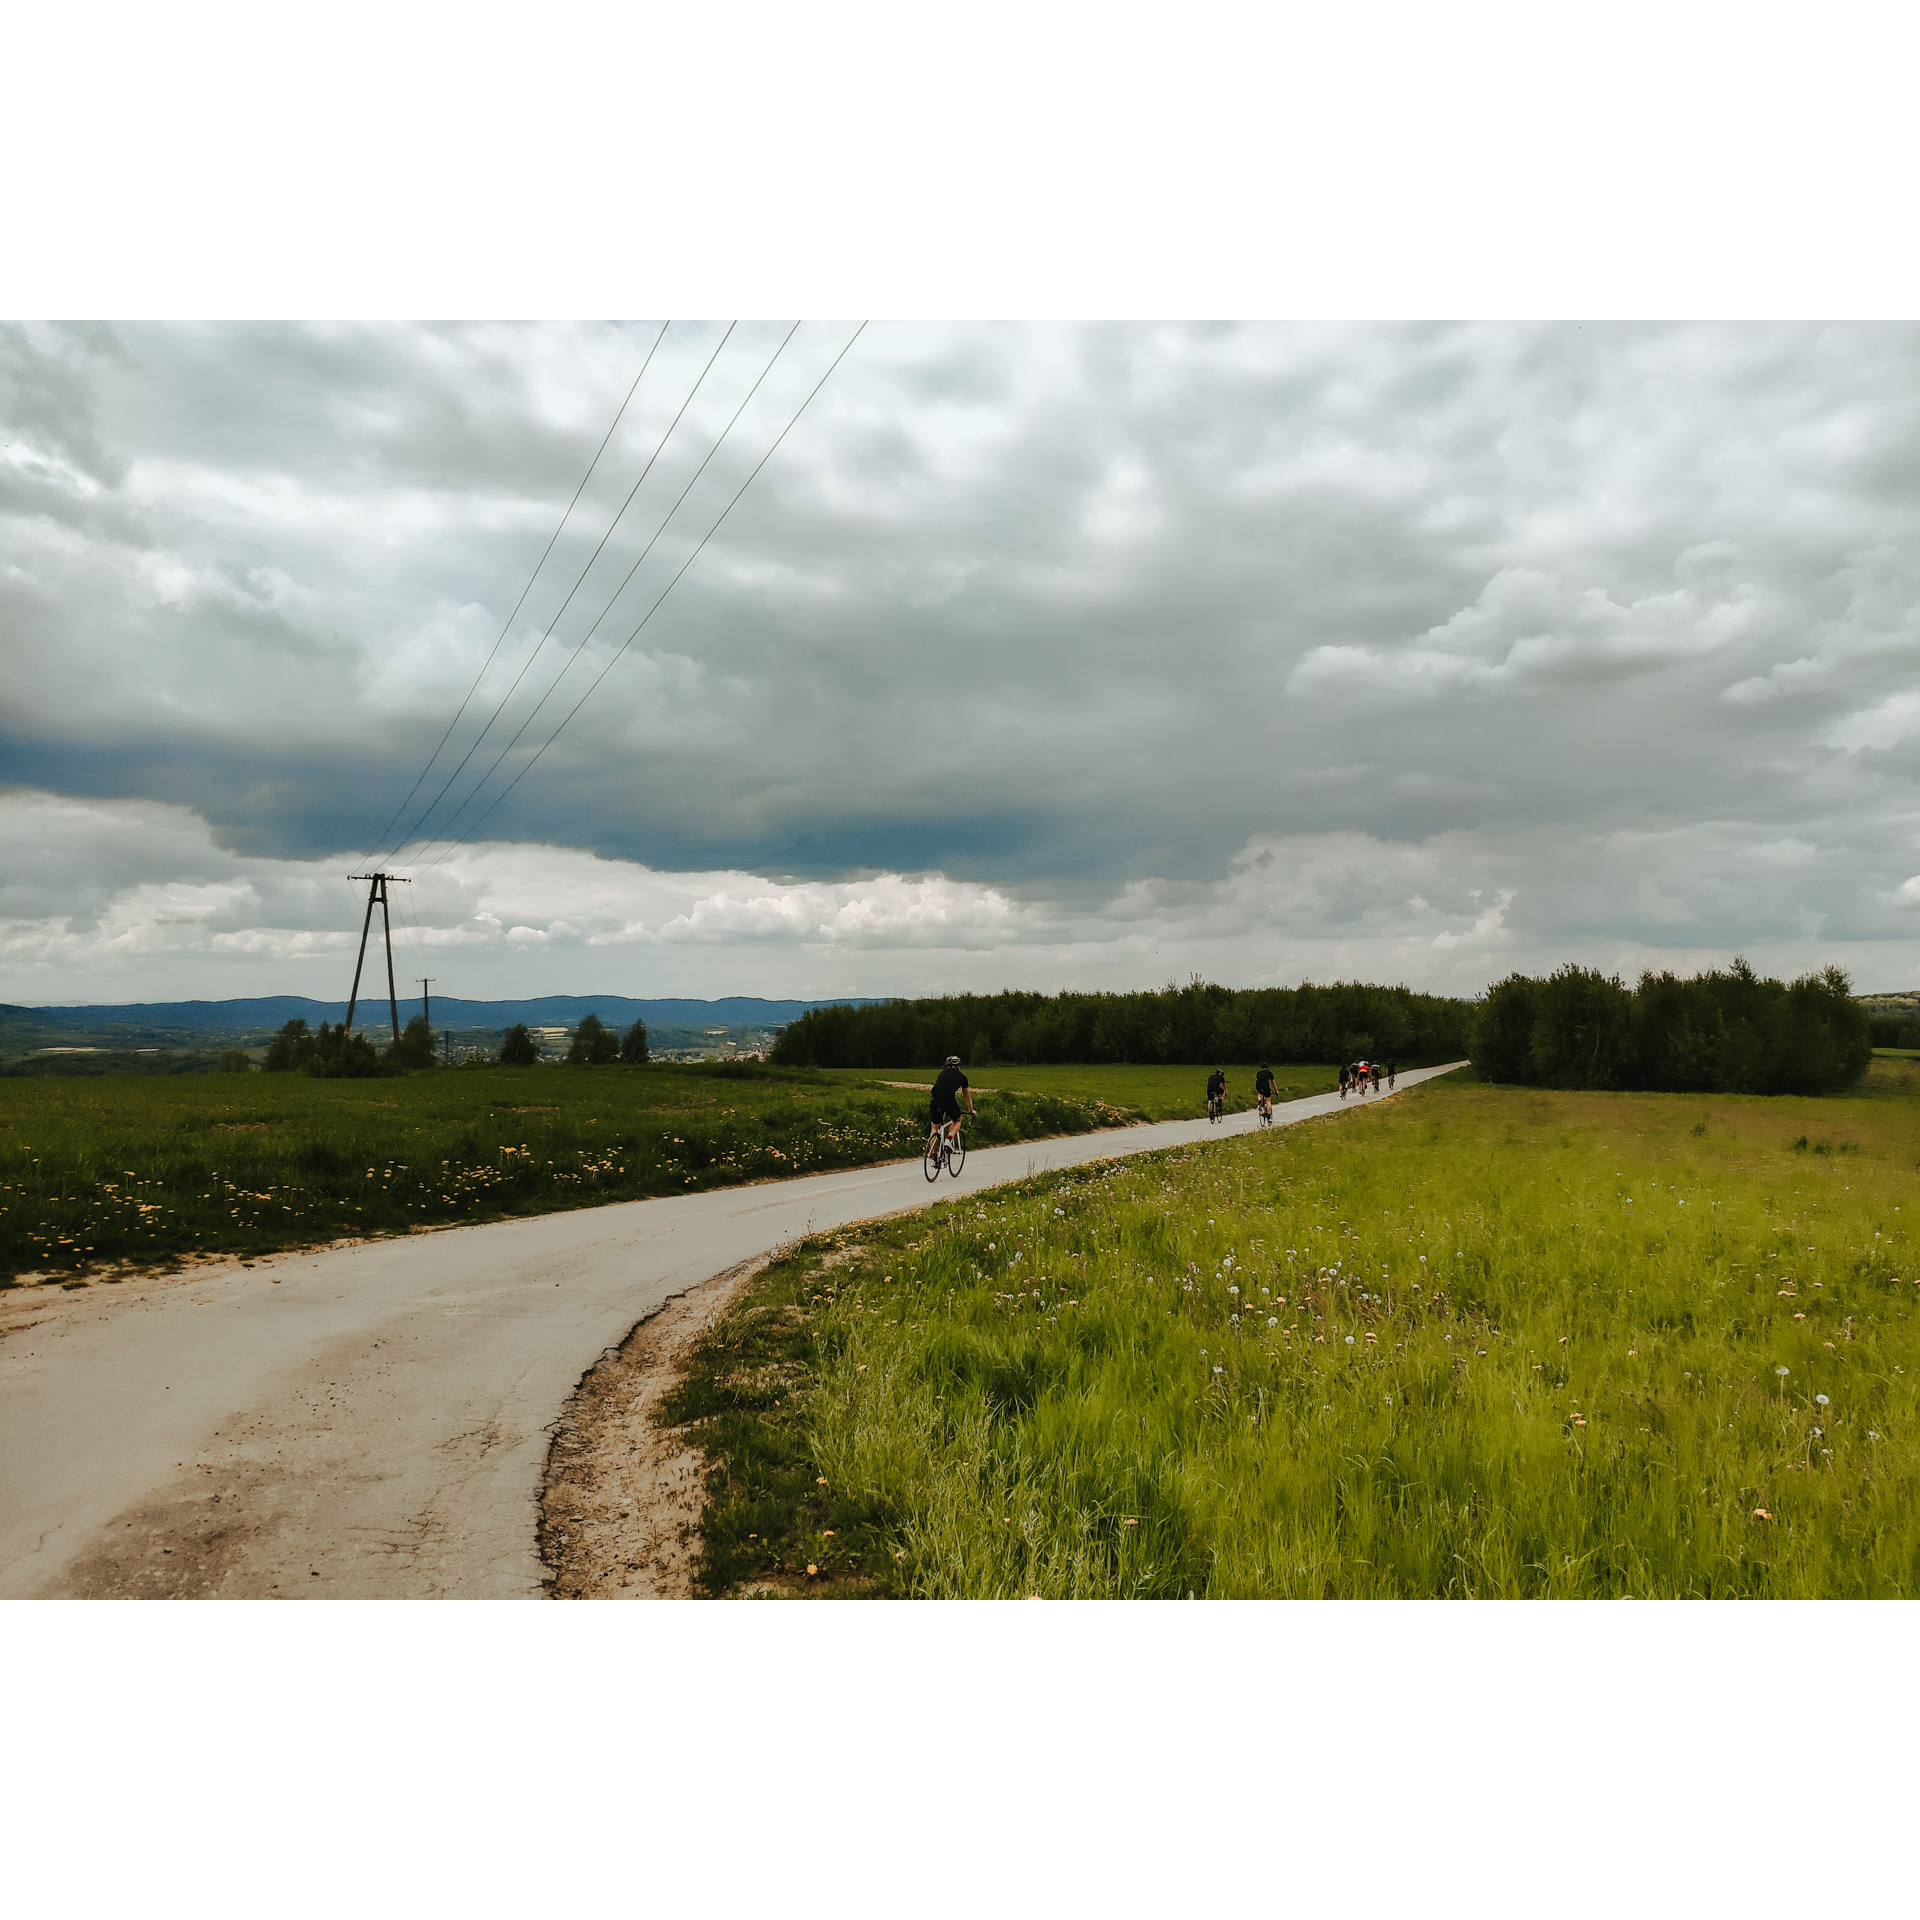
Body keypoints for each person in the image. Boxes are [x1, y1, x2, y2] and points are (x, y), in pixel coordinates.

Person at [929, 1054, 975, 1155]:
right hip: (948, 1100)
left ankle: (932, 1153)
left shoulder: (941, 1074)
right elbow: (967, 1096)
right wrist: (971, 1110)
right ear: (958, 1065)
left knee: (935, 1127)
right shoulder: (962, 1077)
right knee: (957, 1120)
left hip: (934, 1100)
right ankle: (948, 1140)